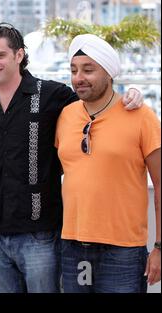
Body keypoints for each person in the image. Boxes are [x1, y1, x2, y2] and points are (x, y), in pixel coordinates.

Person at [0, 23, 144, 293]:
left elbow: (99, 100)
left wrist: (132, 92)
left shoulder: (54, 96)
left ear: (18, 55)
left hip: (39, 236)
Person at [55, 34, 161, 293]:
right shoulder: (66, 116)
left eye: (88, 70)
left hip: (123, 251)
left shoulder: (142, 117)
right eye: (74, 70)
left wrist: (159, 247)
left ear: (109, 74)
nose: (79, 77)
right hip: (73, 247)